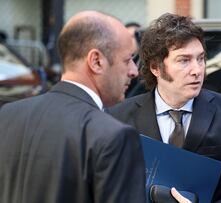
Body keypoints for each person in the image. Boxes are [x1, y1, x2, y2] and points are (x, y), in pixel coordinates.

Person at [109, 13, 221, 203]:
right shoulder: (119, 117)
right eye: (184, 60)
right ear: (155, 67)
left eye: (200, 59)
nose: (197, 70)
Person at [0, 11, 146, 203]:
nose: (134, 71)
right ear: (96, 61)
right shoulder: (113, 137)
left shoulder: (8, 115)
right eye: (127, 60)